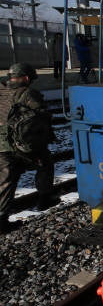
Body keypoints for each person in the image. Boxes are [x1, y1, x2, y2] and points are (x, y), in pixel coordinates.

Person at [0, 63, 57, 233]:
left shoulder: (2, 91)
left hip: (2, 146)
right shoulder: (29, 94)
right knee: (45, 163)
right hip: (19, 146)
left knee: (6, 181)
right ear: (26, 78)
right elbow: (39, 121)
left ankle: (2, 219)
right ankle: (44, 198)